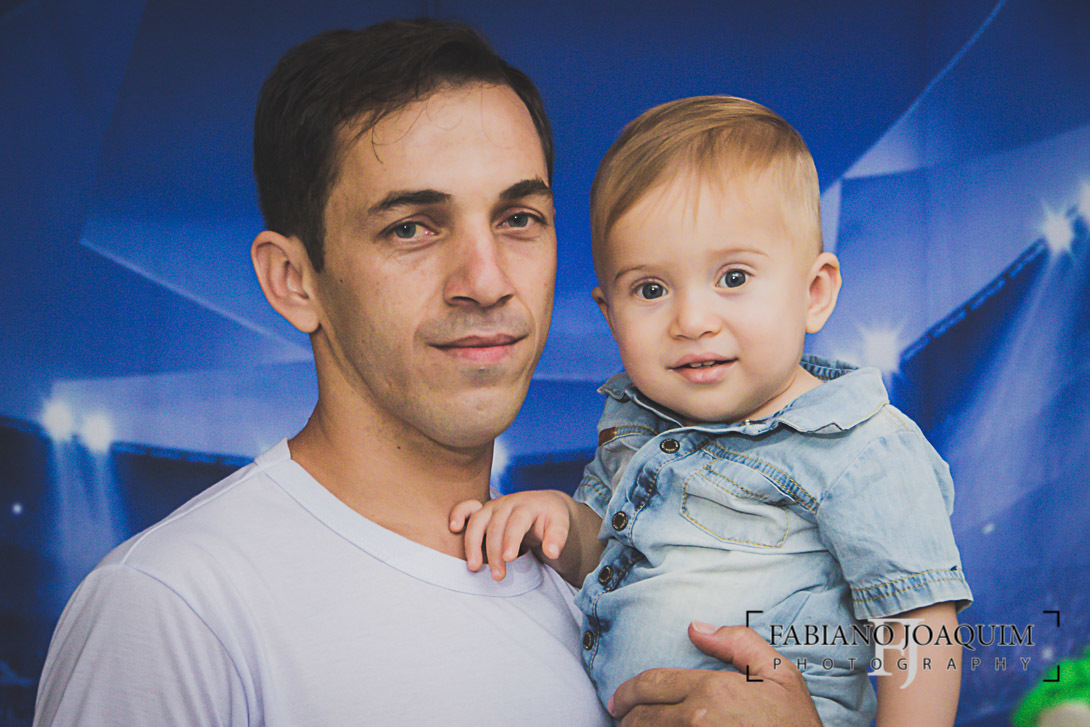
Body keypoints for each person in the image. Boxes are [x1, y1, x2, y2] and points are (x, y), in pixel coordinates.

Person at [34, 21, 822, 727]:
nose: (487, 280)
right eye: (412, 227)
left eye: (519, 218)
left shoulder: (611, 587)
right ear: (294, 280)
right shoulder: (173, 607)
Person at [452, 96, 974, 726]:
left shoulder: (859, 448)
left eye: (733, 278)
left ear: (813, 293)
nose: (692, 321)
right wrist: (560, 522)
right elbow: (610, 558)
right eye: (651, 289)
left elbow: (919, 623)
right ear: (609, 314)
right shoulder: (634, 425)